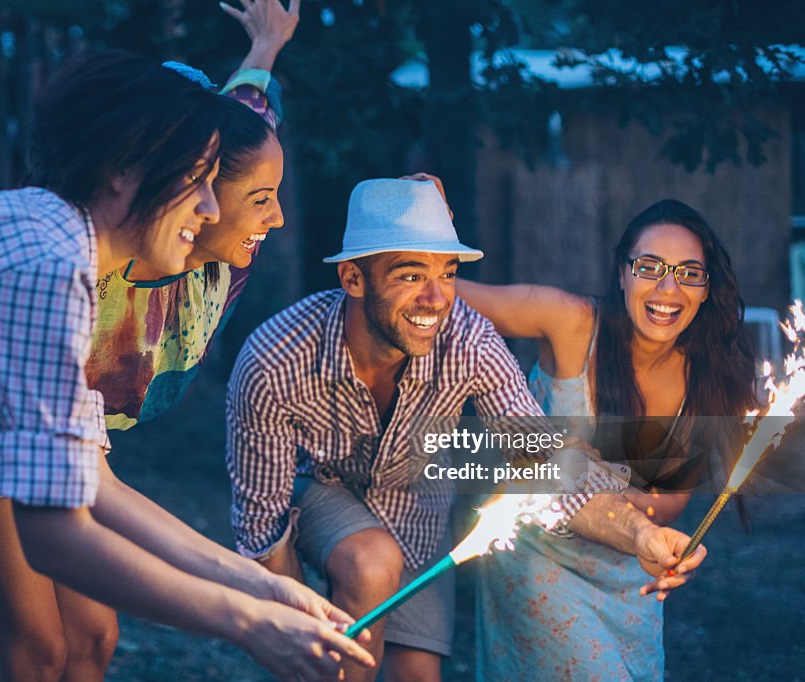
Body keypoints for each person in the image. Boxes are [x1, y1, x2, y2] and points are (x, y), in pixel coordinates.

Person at [0, 48, 374, 682]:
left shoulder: (61, 257)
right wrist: (248, 623)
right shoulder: (40, 263)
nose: (211, 208)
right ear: (123, 171)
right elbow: (55, 536)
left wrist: (264, 589)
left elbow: (93, 483)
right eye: (198, 179)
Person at [225, 179, 708, 682]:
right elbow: (263, 530)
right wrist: (301, 637)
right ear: (352, 278)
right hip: (319, 491)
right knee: (366, 574)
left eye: (449, 274)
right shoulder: (274, 360)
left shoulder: (472, 342)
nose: (436, 298)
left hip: (417, 510)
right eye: (411, 275)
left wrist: (642, 533)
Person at [458, 199, 757, 680]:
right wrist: (425, 226)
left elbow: (669, 506)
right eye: (649, 266)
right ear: (622, 275)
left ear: (705, 291)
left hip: (629, 573)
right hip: (538, 558)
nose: (667, 287)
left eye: (688, 273)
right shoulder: (571, 322)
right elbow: (445, 295)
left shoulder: (706, 380)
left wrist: (598, 484)